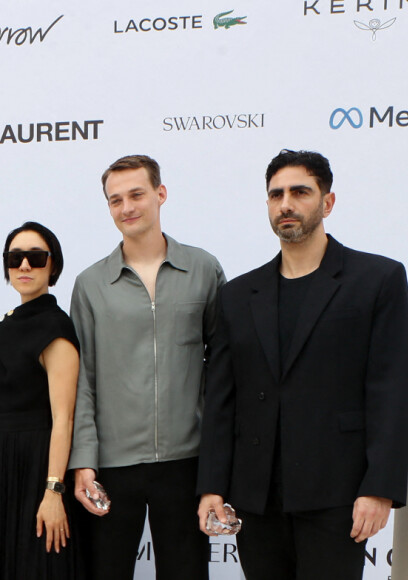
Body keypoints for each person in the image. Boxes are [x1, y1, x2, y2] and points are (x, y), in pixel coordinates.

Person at [197, 150, 408, 580]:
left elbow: (390, 390)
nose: (286, 204)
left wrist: (379, 488)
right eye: (276, 194)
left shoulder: (377, 279)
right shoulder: (239, 295)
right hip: (256, 498)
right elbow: (221, 400)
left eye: (300, 192)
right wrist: (211, 486)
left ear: (327, 202)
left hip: (338, 492)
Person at [68, 155, 226, 580]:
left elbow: (224, 370)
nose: (127, 208)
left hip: (186, 462)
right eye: (115, 200)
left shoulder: (203, 270)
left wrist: (217, 460)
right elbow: (83, 381)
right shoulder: (90, 284)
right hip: (112, 465)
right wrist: (84, 460)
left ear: (161, 194)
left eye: (136, 194)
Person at [0, 221, 83, 579]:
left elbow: (63, 419)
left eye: (35, 257)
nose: (24, 266)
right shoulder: (7, 325)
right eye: (15, 257)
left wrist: (53, 491)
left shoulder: (56, 328)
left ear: (53, 265)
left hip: (36, 467)